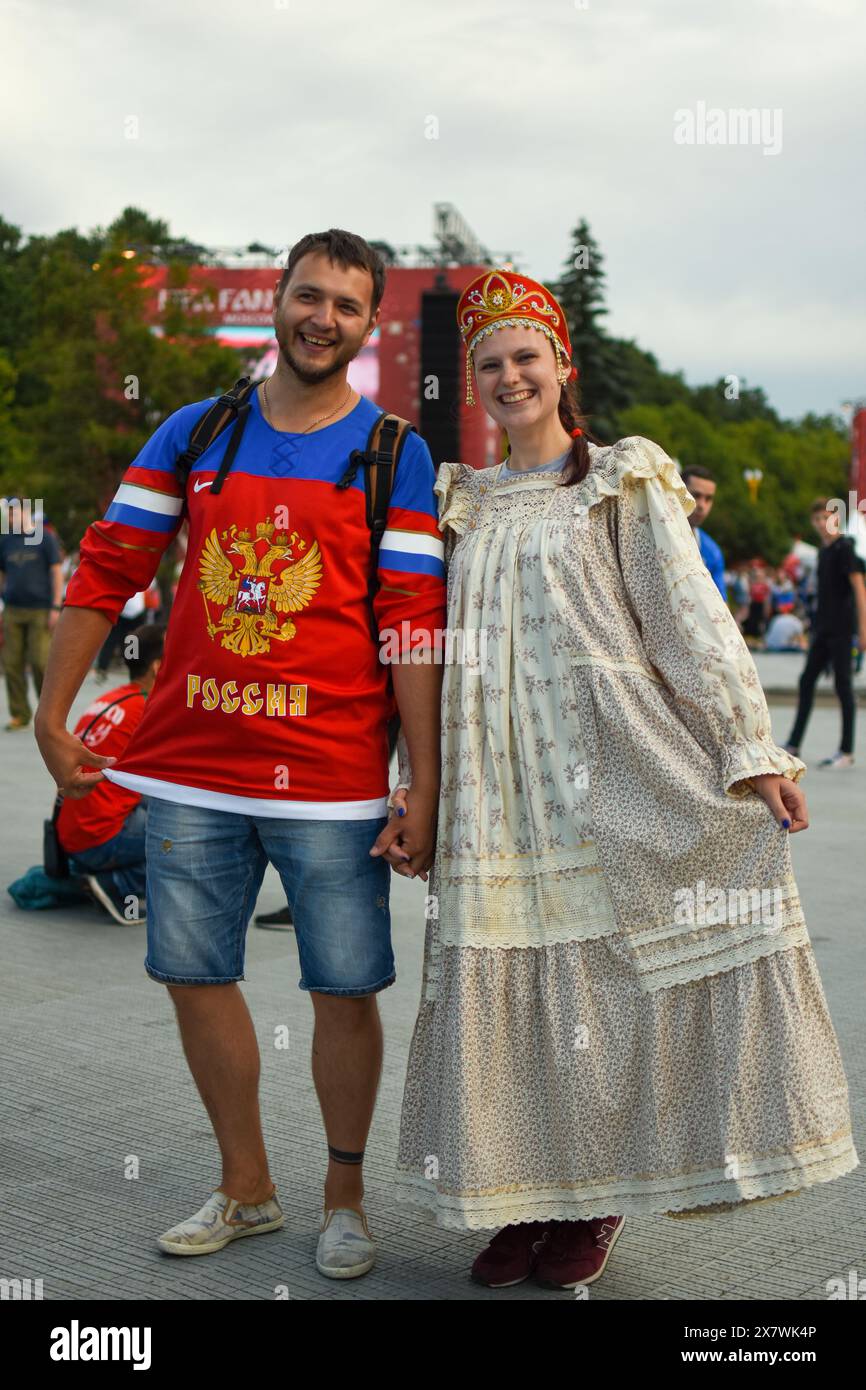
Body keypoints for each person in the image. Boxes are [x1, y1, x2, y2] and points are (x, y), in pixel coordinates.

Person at [382, 269, 859, 1292]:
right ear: (472, 382)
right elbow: (422, 651)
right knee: (502, 995)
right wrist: (407, 783)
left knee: (600, 991)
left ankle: (594, 1197)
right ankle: (522, 1198)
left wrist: (749, 749)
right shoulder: (455, 503)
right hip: (488, 787)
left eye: (526, 357)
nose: (510, 376)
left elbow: (684, 616)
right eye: (490, 363)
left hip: (604, 774)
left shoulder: (617, 480)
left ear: (560, 366)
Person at [35, 229, 445, 1279]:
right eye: (308, 296)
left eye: (346, 306)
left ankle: (343, 1200)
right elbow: (106, 563)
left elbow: (410, 624)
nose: (322, 318)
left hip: (332, 780)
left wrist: (424, 782)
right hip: (188, 772)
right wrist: (51, 711)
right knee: (191, 972)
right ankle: (247, 1185)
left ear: (369, 323)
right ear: (278, 298)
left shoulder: (394, 452)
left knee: (342, 990)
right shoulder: (199, 429)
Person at [58, 623, 166, 924]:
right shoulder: (147, 711)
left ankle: (95, 872)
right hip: (99, 837)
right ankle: (120, 884)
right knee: (193, 832)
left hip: (72, 833)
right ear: (158, 668)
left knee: (155, 802)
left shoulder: (112, 698)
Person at [785, 499, 866, 769]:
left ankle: (845, 750)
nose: (821, 524)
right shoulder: (823, 552)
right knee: (806, 681)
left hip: (842, 630)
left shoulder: (845, 548)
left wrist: (863, 628)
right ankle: (794, 742)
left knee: (843, 687)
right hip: (823, 629)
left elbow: (859, 588)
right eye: (817, 519)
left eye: (826, 518)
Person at [0, 497, 63, 730]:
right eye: (9, 513)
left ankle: (48, 714)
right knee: (12, 663)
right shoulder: (5, 541)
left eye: (15, 512)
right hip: (13, 609)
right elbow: (2, 575)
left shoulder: (45, 538)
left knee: (40, 661)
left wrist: (56, 606)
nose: (11, 517)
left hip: (40, 609)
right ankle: (20, 713)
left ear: (26, 513)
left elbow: (56, 572)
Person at [681, 465, 727, 601]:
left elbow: (721, 604)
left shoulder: (712, 552)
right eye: (696, 495)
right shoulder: (653, 533)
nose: (702, 505)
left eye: (708, 499)